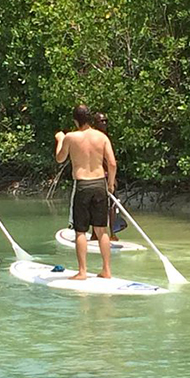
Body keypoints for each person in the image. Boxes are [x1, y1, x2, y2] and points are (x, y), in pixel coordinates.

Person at [55, 104, 117, 279]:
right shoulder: (102, 137)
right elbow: (112, 164)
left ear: (75, 120)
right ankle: (106, 270)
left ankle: (82, 271)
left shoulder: (70, 137)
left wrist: (60, 139)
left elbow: (60, 158)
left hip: (82, 185)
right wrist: (110, 185)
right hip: (100, 185)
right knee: (101, 230)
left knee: (80, 231)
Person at [90, 111, 127, 241]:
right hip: (96, 176)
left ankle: (113, 234)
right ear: (95, 123)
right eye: (101, 121)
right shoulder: (93, 139)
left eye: (106, 121)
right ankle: (95, 234)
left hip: (107, 176)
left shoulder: (107, 138)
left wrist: (112, 179)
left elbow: (111, 162)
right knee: (95, 206)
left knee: (112, 206)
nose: (104, 123)